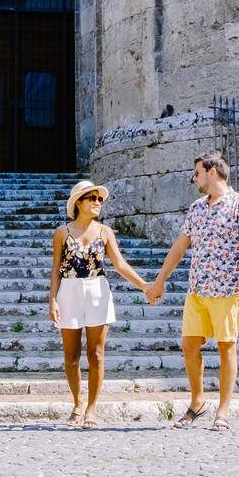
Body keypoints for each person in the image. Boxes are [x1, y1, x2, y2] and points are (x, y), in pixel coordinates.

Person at [146, 150, 239, 431]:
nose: (193, 178)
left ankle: (223, 411)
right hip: (198, 288)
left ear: (211, 171)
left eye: (196, 172)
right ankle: (198, 403)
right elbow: (180, 246)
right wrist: (160, 280)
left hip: (228, 289)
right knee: (189, 345)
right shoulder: (197, 208)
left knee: (226, 348)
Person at [49, 180, 151, 428]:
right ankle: (77, 402)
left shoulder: (105, 232)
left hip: (97, 291)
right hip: (69, 292)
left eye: (99, 199)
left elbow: (120, 264)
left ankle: (92, 409)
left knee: (96, 354)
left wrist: (146, 286)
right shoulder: (62, 233)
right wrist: (52, 299)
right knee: (71, 356)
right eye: (91, 198)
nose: (96, 202)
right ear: (78, 203)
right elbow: (55, 270)